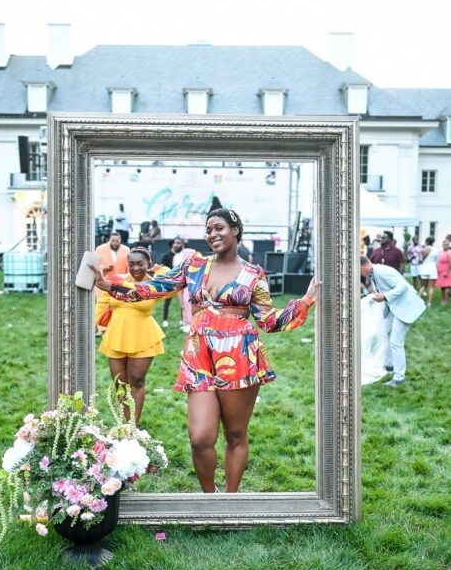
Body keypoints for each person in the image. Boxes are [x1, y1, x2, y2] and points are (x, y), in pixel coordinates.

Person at [90, 207, 320, 493]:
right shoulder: (194, 266)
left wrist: (306, 301)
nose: (212, 234)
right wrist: (108, 285)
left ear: (235, 230)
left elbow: (268, 320)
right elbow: (154, 287)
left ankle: (230, 501)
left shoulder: (253, 274)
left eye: (219, 228)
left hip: (239, 356)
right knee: (200, 438)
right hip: (199, 355)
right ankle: (209, 499)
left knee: (235, 435)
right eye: (208, 230)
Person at [94, 247, 171, 424]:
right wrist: (100, 321)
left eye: (140, 264)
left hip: (143, 336)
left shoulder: (155, 286)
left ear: (148, 264)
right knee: (119, 383)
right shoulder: (117, 281)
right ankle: (124, 422)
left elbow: (168, 275)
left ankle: (133, 426)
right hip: (116, 335)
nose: (135, 268)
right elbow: (103, 302)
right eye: (131, 264)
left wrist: (157, 269)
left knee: (136, 380)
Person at [360, 256, 425, 387]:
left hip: (405, 307)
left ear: (363, 267)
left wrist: (384, 296)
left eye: (359, 271)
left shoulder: (382, 271)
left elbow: (403, 287)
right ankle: (389, 365)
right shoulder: (373, 274)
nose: (359, 274)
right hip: (393, 307)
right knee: (384, 332)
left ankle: (399, 377)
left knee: (396, 342)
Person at [172, 236, 196, 332]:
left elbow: (197, 259)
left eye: (178, 243)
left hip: (189, 281)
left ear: (183, 244)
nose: (176, 245)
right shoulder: (175, 256)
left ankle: (191, 324)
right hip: (179, 282)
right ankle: (185, 322)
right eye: (175, 243)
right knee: (182, 303)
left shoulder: (189, 251)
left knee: (187, 301)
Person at [418, 237, 439, 306]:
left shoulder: (423, 250)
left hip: (424, 268)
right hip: (432, 269)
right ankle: (429, 303)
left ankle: (418, 301)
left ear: (426, 242)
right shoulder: (436, 250)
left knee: (423, 286)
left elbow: (420, 260)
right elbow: (437, 261)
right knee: (431, 287)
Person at [436, 238, 451, 305]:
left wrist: (446, 272)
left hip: (447, 272)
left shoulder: (449, 252)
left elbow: (450, 263)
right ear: (442, 245)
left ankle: (446, 302)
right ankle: (442, 300)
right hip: (440, 272)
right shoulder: (441, 252)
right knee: (442, 287)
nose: (446, 246)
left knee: (447, 287)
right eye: (445, 244)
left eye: (447, 244)